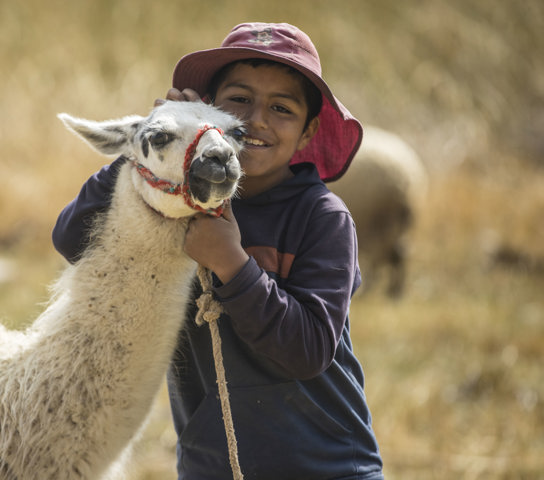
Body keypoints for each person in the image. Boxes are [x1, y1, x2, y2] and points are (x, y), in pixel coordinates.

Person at [52, 22, 384, 480]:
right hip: (214, 467)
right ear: (207, 109)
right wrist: (153, 145)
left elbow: (308, 350)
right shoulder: (177, 202)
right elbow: (73, 241)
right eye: (239, 101)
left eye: (282, 108)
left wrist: (232, 263)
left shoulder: (322, 218)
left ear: (308, 133)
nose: (256, 121)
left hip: (324, 466)